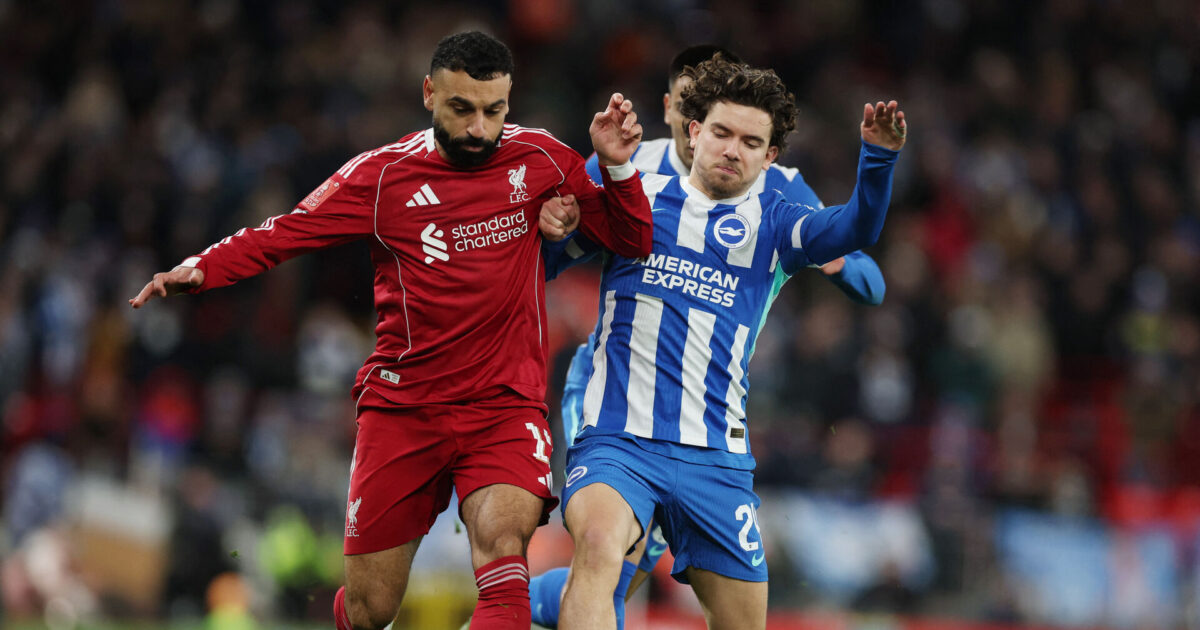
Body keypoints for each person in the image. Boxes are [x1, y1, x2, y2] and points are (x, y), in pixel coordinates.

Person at [129, 31, 654, 630]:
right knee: (370, 608)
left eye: (494, 111)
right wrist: (200, 267)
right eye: (462, 109)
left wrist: (615, 167)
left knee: (503, 550)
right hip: (405, 410)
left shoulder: (541, 160)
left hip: (503, 406)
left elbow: (633, 240)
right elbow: (285, 233)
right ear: (429, 93)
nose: (479, 129)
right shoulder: (381, 179)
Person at [524, 45, 886, 630]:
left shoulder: (779, 199)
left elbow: (868, 273)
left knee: (625, 577)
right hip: (613, 400)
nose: (727, 146)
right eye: (714, 126)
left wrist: (827, 258)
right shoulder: (627, 171)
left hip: (710, 432)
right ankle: (502, 611)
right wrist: (551, 229)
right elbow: (544, 259)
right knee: (605, 551)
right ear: (682, 115)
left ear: (767, 151)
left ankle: (517, 607)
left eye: (748, 139)